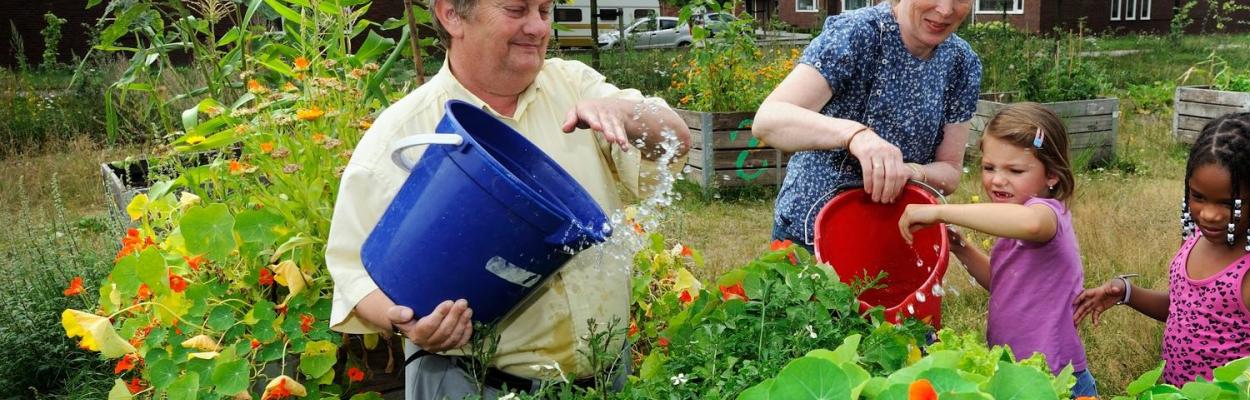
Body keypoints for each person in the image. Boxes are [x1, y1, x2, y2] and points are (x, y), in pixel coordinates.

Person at [324, 0, 689, 397]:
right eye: (516, 10)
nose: (537, 27)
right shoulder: (405, 133)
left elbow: (675, 139)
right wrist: (405, 323)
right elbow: (352, 270)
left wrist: (625, 112)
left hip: (605, 380)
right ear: (452, 14)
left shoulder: (576, 87)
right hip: (474, 382)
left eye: (544, 11)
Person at [1073, 112, 1250, 385]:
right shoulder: (1195, 237)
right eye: (1198, 197)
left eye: (1229, 203)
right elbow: (1184, 309)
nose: (1209, 215)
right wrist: (1127, 293)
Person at [897, 103, 1098, 397]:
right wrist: (961, 248)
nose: (997, 180)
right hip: (1014, 372)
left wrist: (940, 213)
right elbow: (1001, 281)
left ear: (1052, 175)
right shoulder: (1012, 217)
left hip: (1054, 377)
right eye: (989, 167)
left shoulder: (1045, 215)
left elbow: (1030, 224)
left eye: (1015, 170)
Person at [752, 0, 981, 248]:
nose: (946, 10)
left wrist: (912, 172)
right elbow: (768, 120)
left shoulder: (962, 63)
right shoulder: (858, 33)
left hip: (894, 237)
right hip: (812, 230)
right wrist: (856, 135)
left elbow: (950, 170)